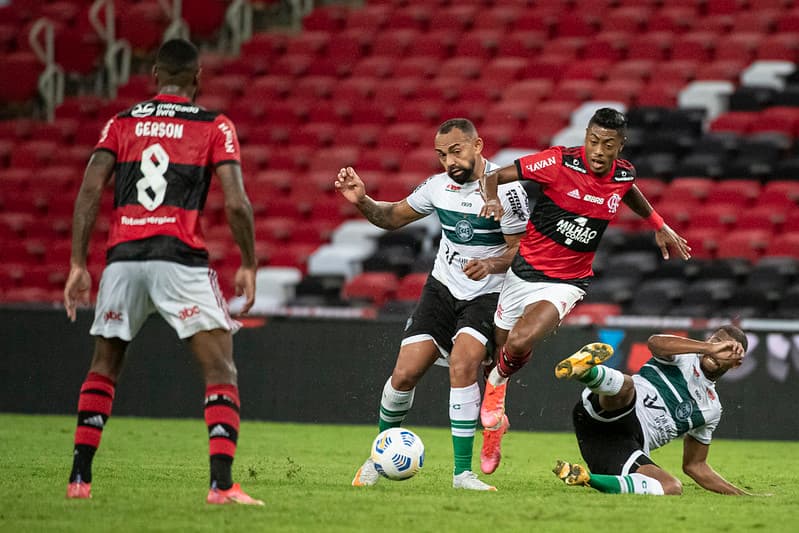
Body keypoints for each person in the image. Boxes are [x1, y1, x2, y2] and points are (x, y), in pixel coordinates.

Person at [63, 39, 262, 505]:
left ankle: (79, 480)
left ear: (154, 74)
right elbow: (236, 201)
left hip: (123, 258)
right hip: (179, 258)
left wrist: (77, 263)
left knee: (104, 366)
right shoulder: (214, 125)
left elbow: (91, 190)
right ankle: (221, 485)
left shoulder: (121, 122)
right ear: (199, 77)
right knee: (220, 369)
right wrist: (249, 262)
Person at [476, 108, 692, 473]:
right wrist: (492, 198)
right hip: (523, 271)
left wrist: (659, 224)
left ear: (620, 146)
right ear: (586, 137)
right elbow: (495, 175)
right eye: (593, 141)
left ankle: (496, 388)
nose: (598, 150)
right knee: (497, 349)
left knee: (518, 341)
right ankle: (495, 426)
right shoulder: (558, 162)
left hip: (567, 282)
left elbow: (629, 191)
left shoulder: (623, 174)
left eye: (608, 144)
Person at [335, 118, 529, 491]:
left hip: (487, 294)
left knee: (463, 364)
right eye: (441, 155)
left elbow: (522, 251)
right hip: (441, 289)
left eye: (456, 151)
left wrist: (490, 263)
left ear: (478, 145)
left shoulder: (508, 192)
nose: (448, 162)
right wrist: (362, 200)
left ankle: (462, 475)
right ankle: (378, 456)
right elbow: (391, 217)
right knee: (404, 374)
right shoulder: (438, 187)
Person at [552, 326, 750, 495]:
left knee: (671, 487)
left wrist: (742, 495)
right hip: (606, 408)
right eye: (718, 342)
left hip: (622, 446)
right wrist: (710, 348)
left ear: (736, 363)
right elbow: (655, 342)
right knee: (627, 386)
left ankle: (586, 478)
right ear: (709, 341)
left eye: (729, 350)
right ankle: (586, 372)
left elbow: (695, 466)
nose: (720, 349)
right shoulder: (683, 357)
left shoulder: (712, 409)